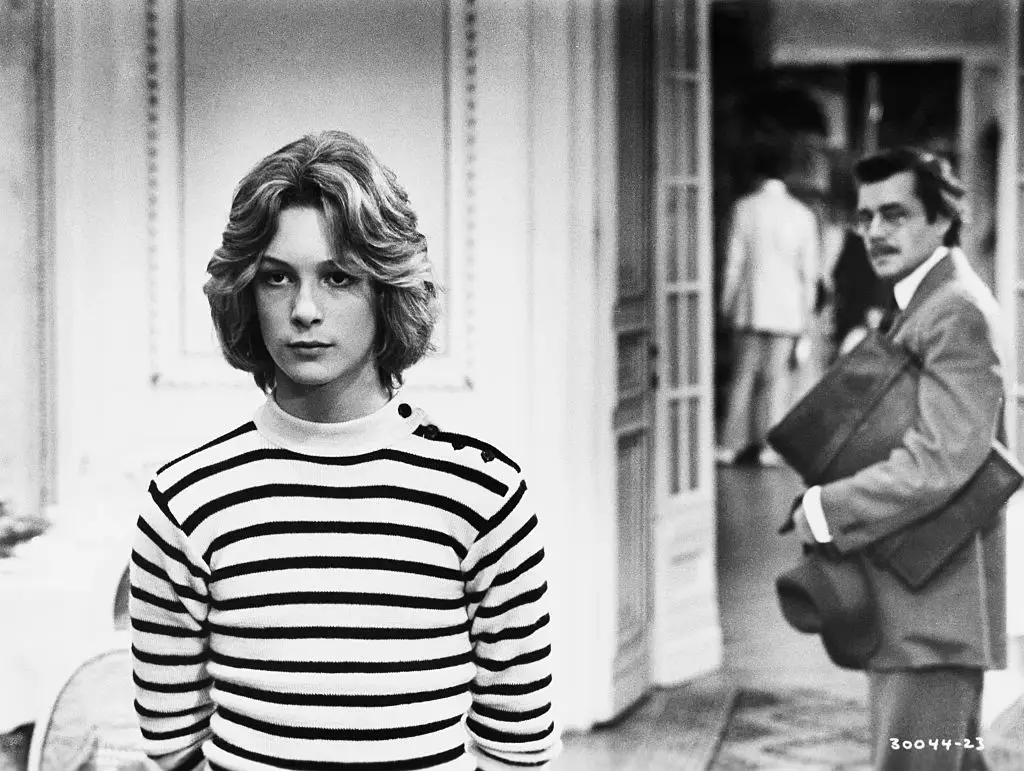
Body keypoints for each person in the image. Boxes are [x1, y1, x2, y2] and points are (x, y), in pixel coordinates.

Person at [129, 130, 561, 771]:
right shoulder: (187, 500)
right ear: (246, 293)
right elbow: (169, 748)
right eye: (277, 278)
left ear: (388, 291)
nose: (304, 309)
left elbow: (518, 746)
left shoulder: (482, 495)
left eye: (337, 277)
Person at [790, 147, 1005, 771]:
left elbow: (941, 459)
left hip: (933, 610)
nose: (876, 233)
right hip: (924, 604)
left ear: (942, 220)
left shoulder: (955, 310)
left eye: (895, 214)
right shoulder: (924, 299)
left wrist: (827, 509)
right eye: (865, 218)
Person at [718, 145, 820, 466]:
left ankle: (728, 444)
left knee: (742, 376)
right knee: (775, 381)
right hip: (788, 309)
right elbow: (809, 272)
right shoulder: (802, 215)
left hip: (750, 305)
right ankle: (767, 447)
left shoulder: (744, 208)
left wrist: (726, 305)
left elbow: (733, 264)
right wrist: (807, 316)